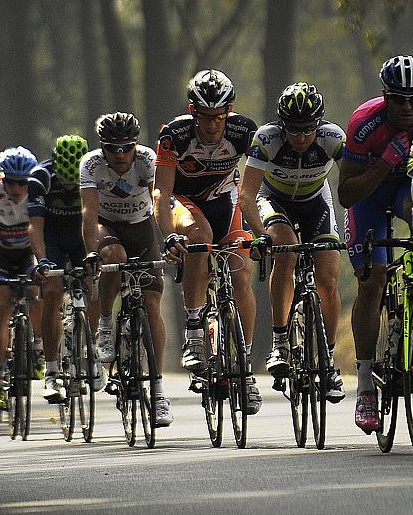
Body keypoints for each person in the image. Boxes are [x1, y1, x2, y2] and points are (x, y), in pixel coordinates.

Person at [156, 69, 263, 413]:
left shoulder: (244, 131)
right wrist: (168, 233)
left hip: (225, 201)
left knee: (241, 270)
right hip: (186, 204)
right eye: (205, 117)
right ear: (193, 111)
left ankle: (244, 371)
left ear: (229, 112)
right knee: (199, 239)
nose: (213, 125)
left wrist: (264, 229)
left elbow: (261, 179)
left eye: (220, 116)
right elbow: (162, 191)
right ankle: (194, 331)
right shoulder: (175, 134)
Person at [340, 56, 413, 435]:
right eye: (399, 100)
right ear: (385, 97)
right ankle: (364, 387)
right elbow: (345, 194)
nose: (408, 108)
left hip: (408, 194)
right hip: (369, 196)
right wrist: (382, 165)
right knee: (373, 280)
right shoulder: (365, 124)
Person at [240, 82, 346, 402]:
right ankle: (280, 343)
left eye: (307, 130)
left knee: (328, 279)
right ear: (281, 125)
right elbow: (246, 195)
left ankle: (327, 362)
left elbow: (355, 175)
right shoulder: (267, 139)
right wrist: (259, 234)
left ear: (320, 124)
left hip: (316, 201)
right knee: (284, 252)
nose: (300, 138)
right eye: (293, 130)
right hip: (274, 200)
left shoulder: (332, 137)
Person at [79, 111, 171, 427]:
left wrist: (168, 238)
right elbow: (89, 213)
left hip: (141, 227)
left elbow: (158, 199)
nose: (120, 155)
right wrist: (92, 252)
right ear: (102, 147)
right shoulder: (91, 164)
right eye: (112, 148)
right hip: (108, 227)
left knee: (151, 304)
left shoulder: (147, 159)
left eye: (126, 147)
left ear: (135, 145)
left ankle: (158, 392)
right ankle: (105, 323)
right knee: (114, 255)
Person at [0, 146, 46, 409]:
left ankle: (38, 348)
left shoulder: (38, 190)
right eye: (11, 182)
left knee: (37, 290)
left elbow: (44, 231)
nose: (17, 189)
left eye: (22, 183)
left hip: (28, 251)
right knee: (1, 304)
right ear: (3, 178)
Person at [30, 135, 89, 402]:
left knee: (93, 282)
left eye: (73, 182)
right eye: (65, 181)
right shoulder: (40, 176)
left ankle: (92, 350)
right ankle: (52, 371)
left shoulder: (92, 171)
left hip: (81, 236)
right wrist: (41, 260)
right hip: (52, 237)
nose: (69, 187)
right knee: (52, 291)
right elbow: (35, 226)